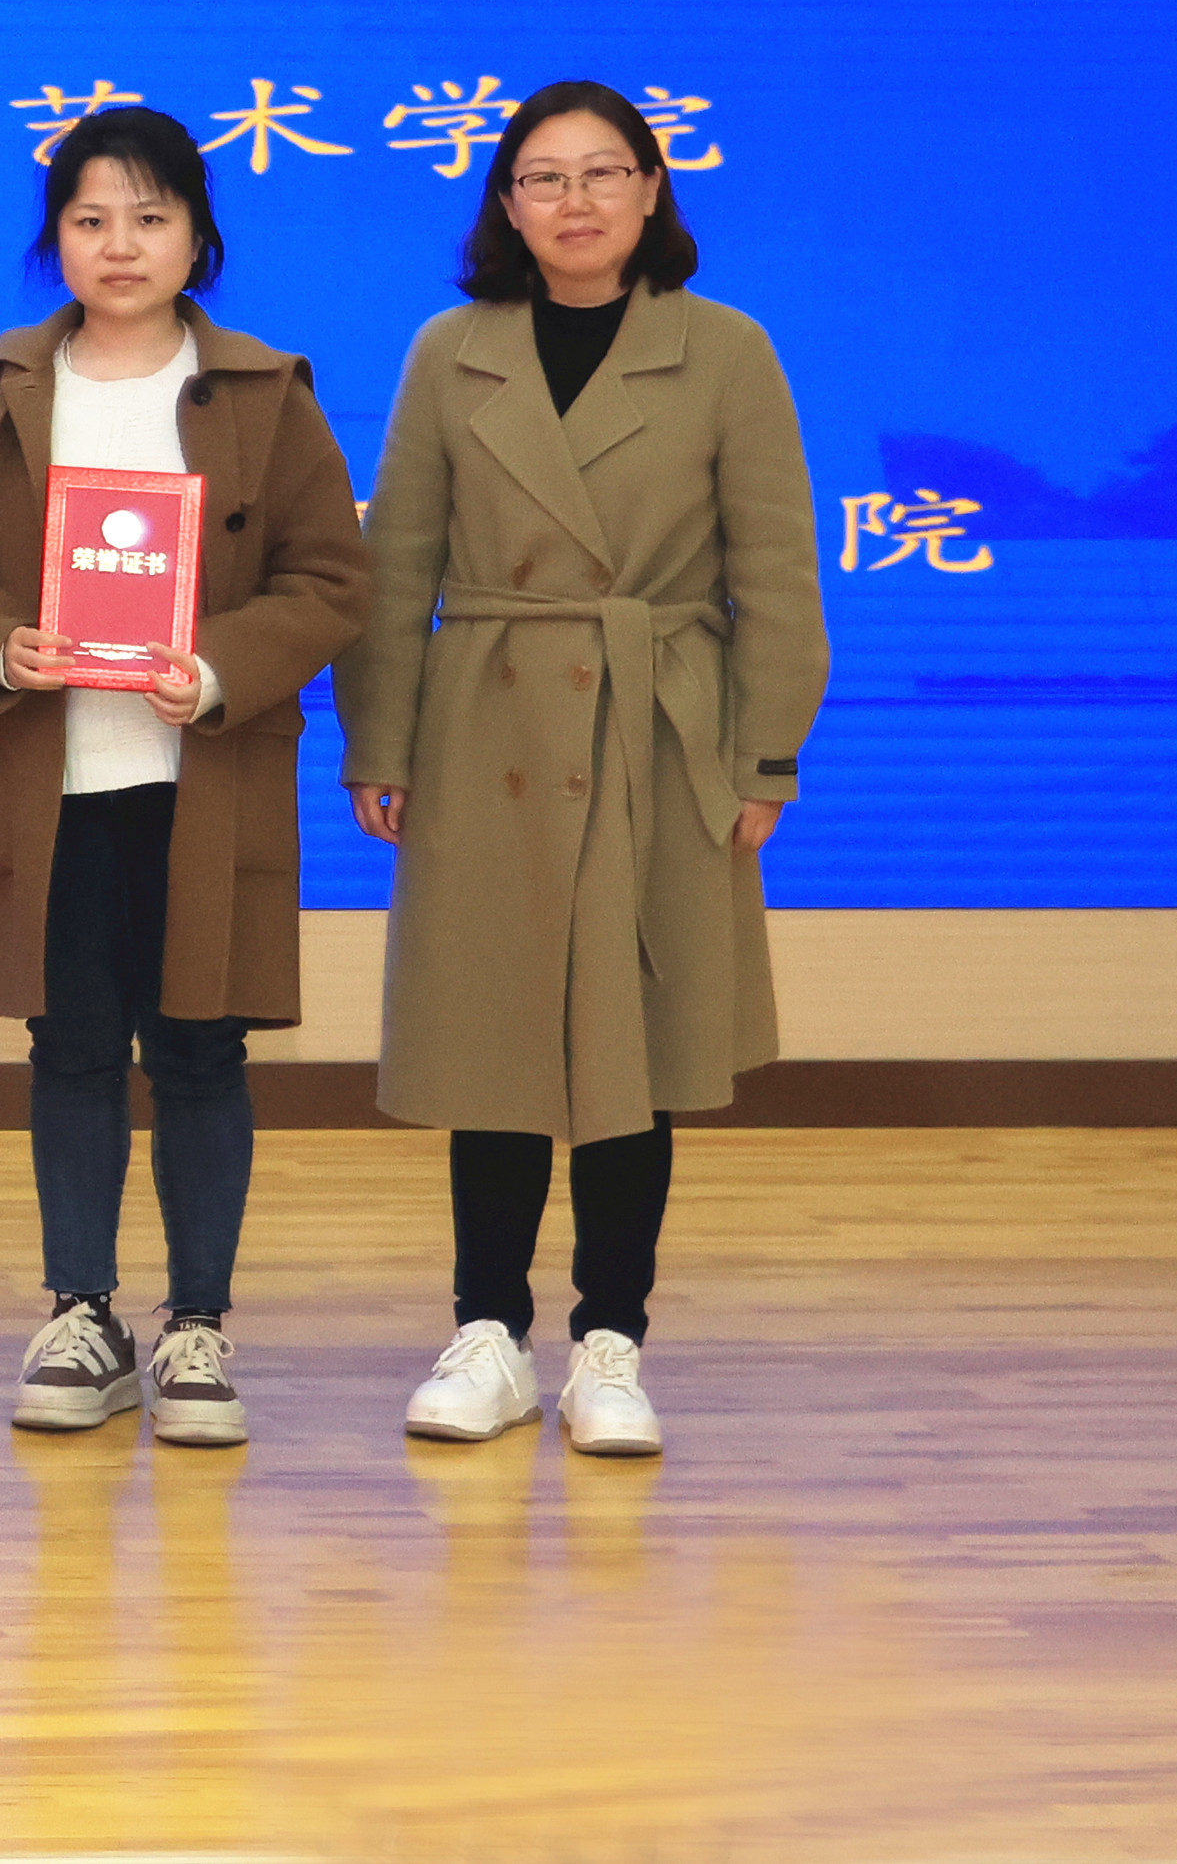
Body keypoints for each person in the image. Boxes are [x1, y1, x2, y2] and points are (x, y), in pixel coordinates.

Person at [345, 83, 827, 1458]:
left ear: (652, 191)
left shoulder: (725, 350)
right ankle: (488, 1334)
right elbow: (399, 570)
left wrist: (765, 752)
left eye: (604, 173)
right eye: (544, 178)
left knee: (637, 1043)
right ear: (505, 204)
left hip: (655, 725)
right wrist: (379, 741)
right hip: (486, 725)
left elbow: (776, 572)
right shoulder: (452, 350)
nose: (575, 202)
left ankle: (611, 1342)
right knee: (491, 1037)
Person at [0, 104, 367, 1452]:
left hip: (199, 771)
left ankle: (199, 1324)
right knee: (73, 1046)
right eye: (91, 218)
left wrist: (217, 668)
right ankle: (82, 1315)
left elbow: (332, 578)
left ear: (197, 237)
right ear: (55, 238)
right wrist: (0, 644)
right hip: (52, 782)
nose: (120, 244)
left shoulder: (266, 394)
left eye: (150, 218)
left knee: (204, 1049)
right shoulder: (1, 391)